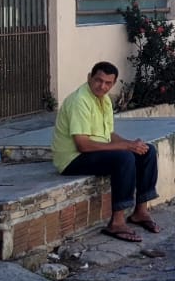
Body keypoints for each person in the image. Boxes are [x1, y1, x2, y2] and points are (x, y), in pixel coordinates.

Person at [52, 62, 160, 243]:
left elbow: (108, 135)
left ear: (113, 83)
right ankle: (116, 222)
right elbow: (83, 145)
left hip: (94, 153)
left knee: (147, 151)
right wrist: (126, 147)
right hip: (72, 159)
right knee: (124, 158)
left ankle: (141, 212)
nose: (102, 86)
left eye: (108, 83)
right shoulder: (80, 100)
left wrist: (132, 144)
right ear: (89, 77)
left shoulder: (105, 100)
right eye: (98, 80)